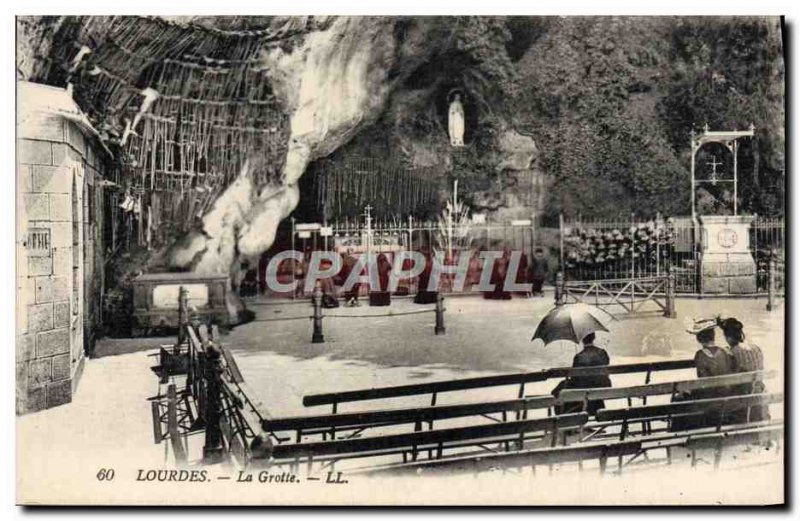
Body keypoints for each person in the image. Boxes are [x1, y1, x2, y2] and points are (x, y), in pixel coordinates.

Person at [671, 319, 734, 430]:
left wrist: (687, 391)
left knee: (678, 399)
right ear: (713, 336)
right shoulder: (725, 352)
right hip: (725, 398)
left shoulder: (700, 355)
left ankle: (675, 434)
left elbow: (703, 382)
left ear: (699, 339)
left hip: (708, 400)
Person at [719, 317, 770, 423]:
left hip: (742, 403)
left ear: (727, 337)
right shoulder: (756, 348)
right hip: (760, 396)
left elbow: (728, 382)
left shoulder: (731, 353)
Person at [554, 332, 612, 416]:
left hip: (584, 390)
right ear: (594, 337)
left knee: (560, 390)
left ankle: (564, 419)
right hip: (603, 387)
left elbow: (574, 377)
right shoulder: (603, 353)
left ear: (581, 340)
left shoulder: (578, 356)